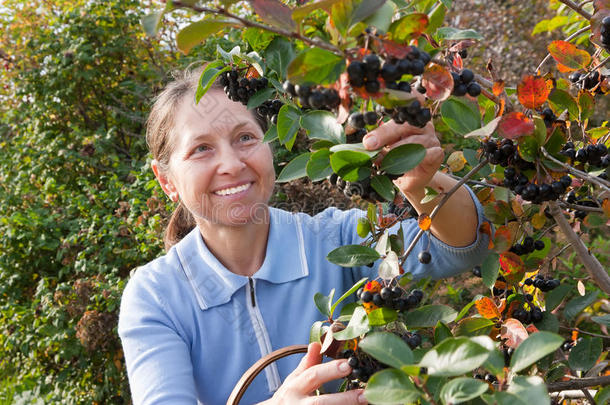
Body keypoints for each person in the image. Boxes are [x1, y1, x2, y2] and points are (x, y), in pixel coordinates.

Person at [118, 68, 492, 405]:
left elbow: (459, 248)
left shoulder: (334, 240)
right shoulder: (156, 297)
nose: (232, 164)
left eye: (245, 137)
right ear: (166, 180)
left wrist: (422, 180)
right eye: (201, 149)